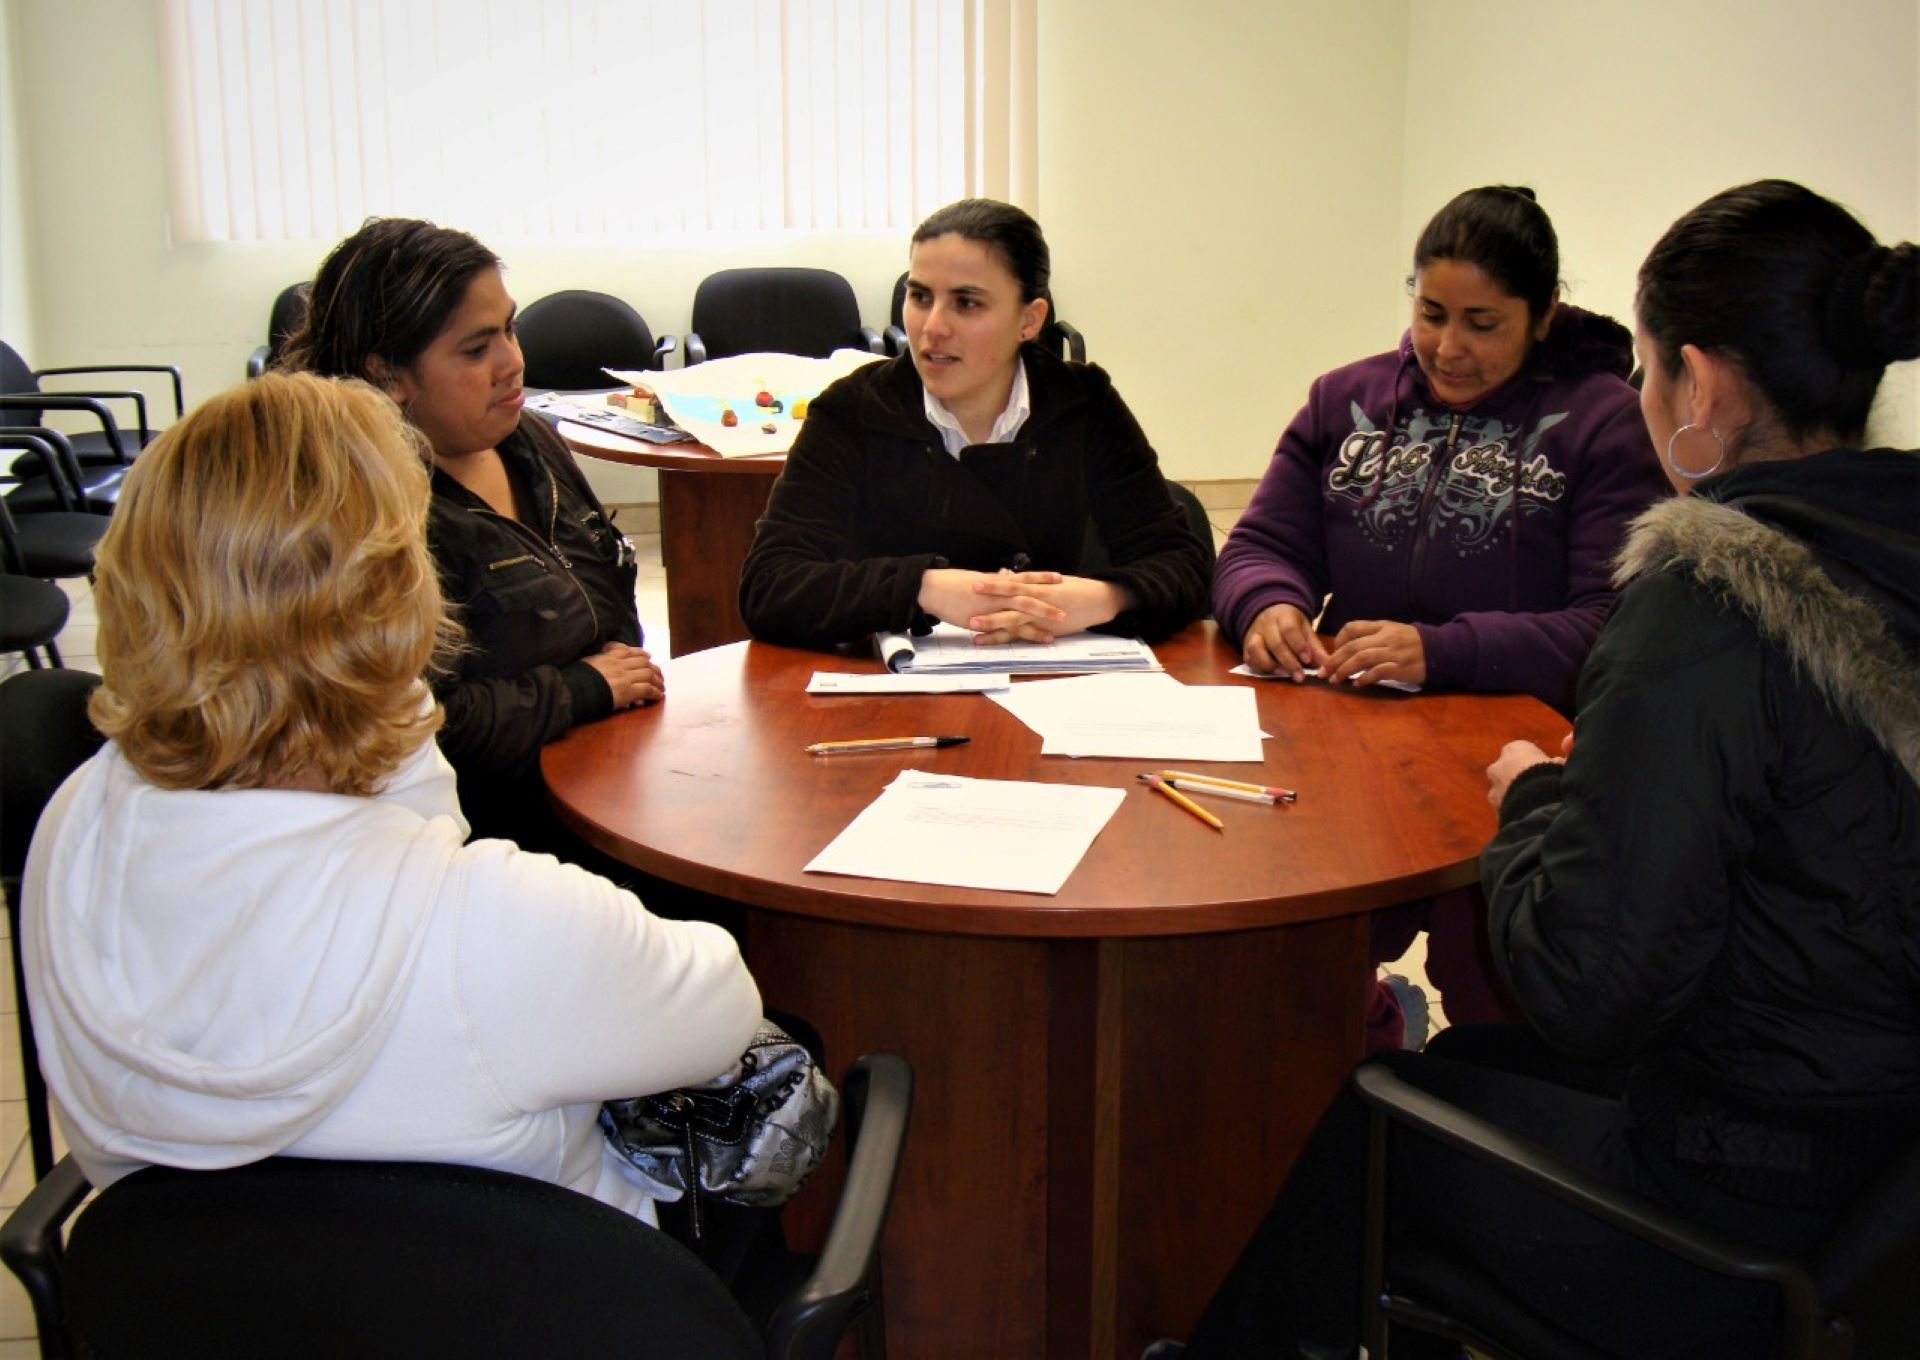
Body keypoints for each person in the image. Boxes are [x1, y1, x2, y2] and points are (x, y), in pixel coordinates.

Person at [1176, 180, 1920, 1359]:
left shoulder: (1702, 603)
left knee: (1376, 1118)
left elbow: (1586, 979)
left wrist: (1534, 801)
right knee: (1469, 1058)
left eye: (1651, 372)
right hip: (1876, 1185)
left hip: (1733, 1212)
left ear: (1705, 385)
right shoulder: (1887, 552)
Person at [21, 372, 762, 1225]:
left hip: (198, 1315)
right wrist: (396, 695)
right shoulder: (496, 921)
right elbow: (720, 1007)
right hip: (533, 1306)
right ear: (402, 598)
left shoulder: (78, 826)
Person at [1213, 185, 1668, 1047]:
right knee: (1293, 952)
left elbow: (1609, 628)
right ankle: (1367, 1039)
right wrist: (1267, 605)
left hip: (1515, 763)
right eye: (1431, 313)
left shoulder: (1605, 425)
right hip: (1350, 749)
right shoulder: (1342, 400)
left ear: (1545, 315)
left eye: (1483, 323)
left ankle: (1466, 1128)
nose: (1448, 349)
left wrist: (1440, 651)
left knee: (1495, 994)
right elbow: (1256, 546)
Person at [281, 218, 661, 854]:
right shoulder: (364, 515)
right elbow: (411, 727)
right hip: (493, 835)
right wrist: (582, 689)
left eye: (509, 328)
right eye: (476, 348)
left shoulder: (529, 440)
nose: (512, 362)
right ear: (388, 374)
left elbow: (606, 590)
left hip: (610, 772)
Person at [738, 198, 1211, 649]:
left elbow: (1183, 565)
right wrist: (923, 588)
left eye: (966, 303)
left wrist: (1103, 598)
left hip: (1054, 689)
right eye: (920, 297)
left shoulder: (1082, 403)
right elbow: (770, 585)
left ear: (1029, 319)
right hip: (893, 697)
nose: (932, 327)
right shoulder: (853, 411)